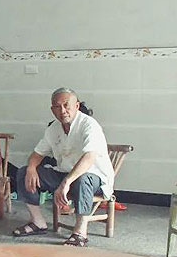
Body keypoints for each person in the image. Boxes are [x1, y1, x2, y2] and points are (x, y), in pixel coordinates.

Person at [12, 88, 114, 247]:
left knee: (83, 178)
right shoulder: (53, 128)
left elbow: (88, 159)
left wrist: (66, 183)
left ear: (77, 106)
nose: (63, 111)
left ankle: (80, 232)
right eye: (57, 107)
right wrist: (32, 167)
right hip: (64, 173)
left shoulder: (89, 125)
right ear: (52, 109)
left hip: (94, 178)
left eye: (67, 105)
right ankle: (38, 222)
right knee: (24, 172)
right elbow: (37, 154)